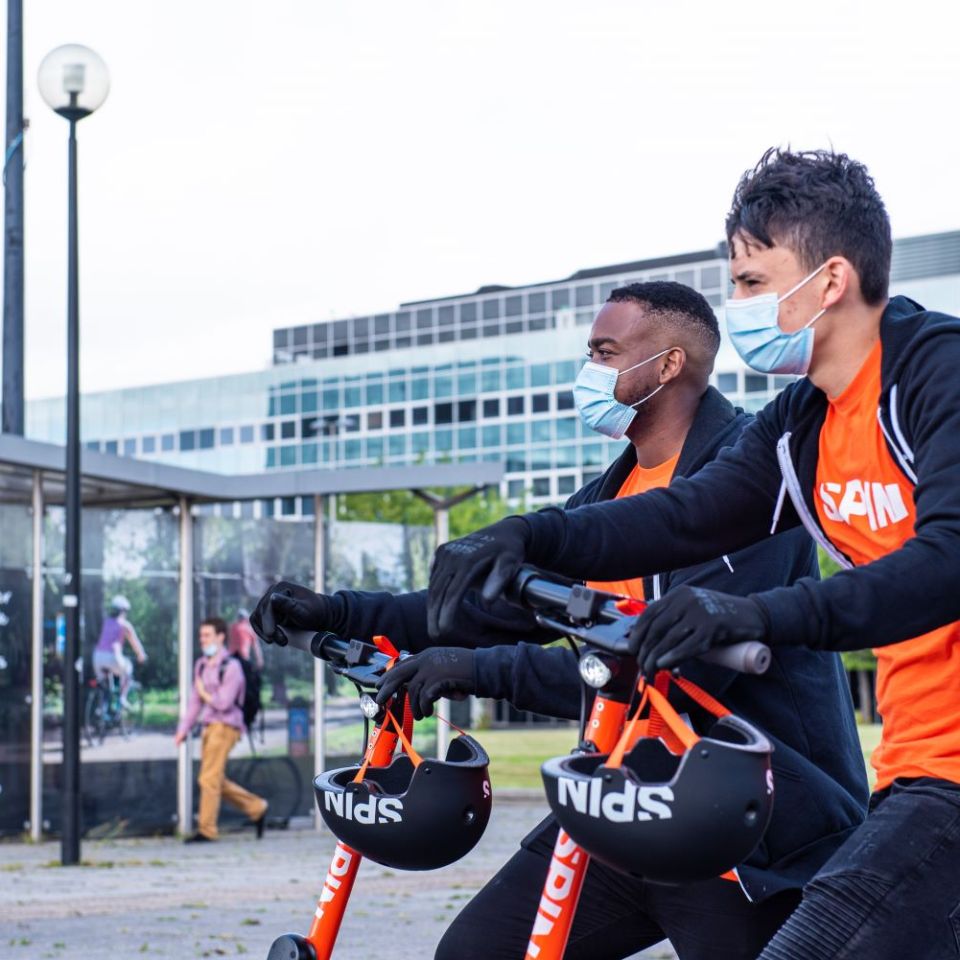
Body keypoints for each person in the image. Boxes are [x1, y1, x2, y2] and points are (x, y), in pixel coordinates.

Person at [428, 148, 960, 960]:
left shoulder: (935, 373)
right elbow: (685, 516)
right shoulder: (800, 424)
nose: (737, 304)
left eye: (751, 282)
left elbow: (946, 563)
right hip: (921, 764)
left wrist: (753, 614)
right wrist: (533, 533)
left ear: (830, 281)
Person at [252, 281, 868, 960]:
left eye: (605, 352)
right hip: (621, 800)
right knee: (475, 953)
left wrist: (476, 672)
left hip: (740, 821)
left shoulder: (745, 488)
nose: (590, 371)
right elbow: (485, 612)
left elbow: (664, 666)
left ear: (668, 365)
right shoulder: (610, 498)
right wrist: (339, 610)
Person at [174, 617, 268, 843]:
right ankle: (256, 807)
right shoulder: (202, 665)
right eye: (201, 636)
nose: (203, 640)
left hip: (226, 726)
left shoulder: (232, 667)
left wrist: (205, 694)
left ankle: (207, 830)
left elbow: (224, 703)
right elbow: (195, 703)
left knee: (208, 778)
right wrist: (183, 729)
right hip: (209, 726)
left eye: (207, 635)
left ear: (220, 637)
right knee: (212, 778)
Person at [92, 594, 147, 706]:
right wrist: (141, 655)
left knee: (105, 684)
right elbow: (135, 643)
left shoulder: (106, 622)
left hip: (97, 657)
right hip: (112, 657)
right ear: (123, 611)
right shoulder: (124, 625)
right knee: (128, 670)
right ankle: (122, 697)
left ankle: (103, 707)